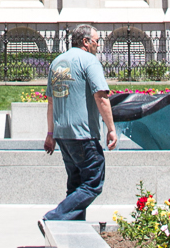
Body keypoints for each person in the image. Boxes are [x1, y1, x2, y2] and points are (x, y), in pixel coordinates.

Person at [41, 24, 117, 222]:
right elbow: (101, 96)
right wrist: (111, 129)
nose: (98, 46)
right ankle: (54, 218)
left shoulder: (57, 62)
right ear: (85, 42)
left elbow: (50, 101)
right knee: (93, 181)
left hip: (63, 135)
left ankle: (70, 230)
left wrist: (50, 134)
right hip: (83, 134)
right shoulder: (89, 61)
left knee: (75, 185)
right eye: (96, 41)